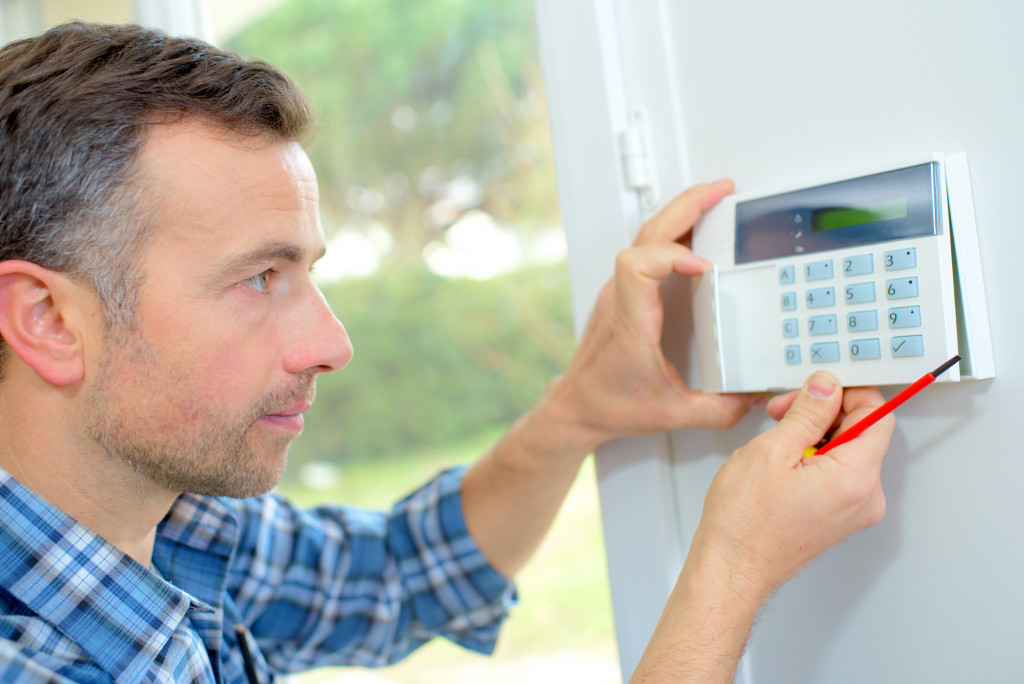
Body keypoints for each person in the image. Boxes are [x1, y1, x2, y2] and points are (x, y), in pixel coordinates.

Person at [0, 21, 893, 683]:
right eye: (258, 280)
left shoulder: (175, 523)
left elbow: (398, 575)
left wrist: (580, 407)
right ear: (46, 319)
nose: (332, 343)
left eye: (306, 272)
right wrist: (731, 573)